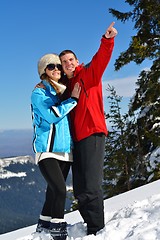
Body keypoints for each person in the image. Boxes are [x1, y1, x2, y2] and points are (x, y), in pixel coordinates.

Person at [59, 22, 118, 235]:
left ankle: (97, 230)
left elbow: (101, 60)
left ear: (76, 61)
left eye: (71, 60)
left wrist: (107, 40)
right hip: (77, 139)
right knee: (80, 187)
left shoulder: (88, 75)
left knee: (91, 185)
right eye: (64, 62)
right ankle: (89, 225)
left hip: (93, 133)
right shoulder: (66, 88)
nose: (68, 64)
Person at [31, 53, 81, 240]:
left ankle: (43, 226)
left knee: (53, 192)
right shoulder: (39, 93)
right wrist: (73, 100)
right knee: (60, 189)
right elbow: (52, 115)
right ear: (44, 71)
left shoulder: (62, 90)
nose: (57, 69)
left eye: (58, 66)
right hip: (47, 150)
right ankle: (58, 231)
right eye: (51, 66)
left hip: (65, 150)